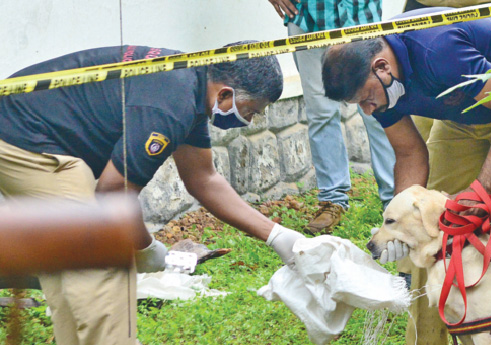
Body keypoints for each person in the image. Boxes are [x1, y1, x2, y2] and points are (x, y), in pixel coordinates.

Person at [0, 42, 304, 345]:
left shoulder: (192, 81)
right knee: (102, 259)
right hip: (24, 137)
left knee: (70, 266)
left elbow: (203, 178)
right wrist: (146, 249)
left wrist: (277, 236)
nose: (249, 120)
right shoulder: (171, 103)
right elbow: (112, 194)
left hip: (21, 128)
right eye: (251, 110)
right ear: (225, 94)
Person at [322, 7, 491, 344]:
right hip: (461, 111)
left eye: (367, 99)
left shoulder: (438, 49)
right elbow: (409, 153)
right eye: (360, 104)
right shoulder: (382, 89)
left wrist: (482, 190)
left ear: (382, 68)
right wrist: (399, 229)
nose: (368, 110)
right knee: (429, 232)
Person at [267, 0, 396, 235]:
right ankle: (332, 200)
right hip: (307, 17)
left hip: (361, 15)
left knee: (378, 108)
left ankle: (395, 200)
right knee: (320, 111)